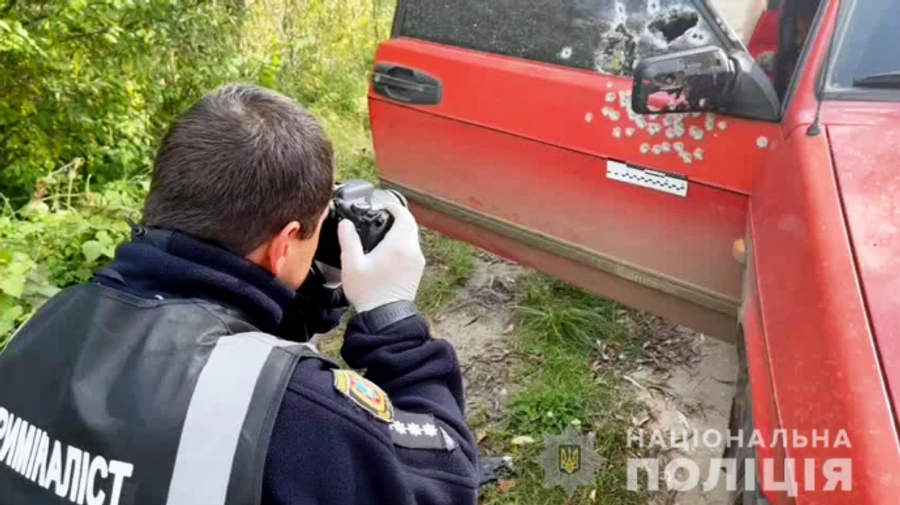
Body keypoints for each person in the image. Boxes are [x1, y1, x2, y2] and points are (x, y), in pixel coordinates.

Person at [0, 85, 479, 505]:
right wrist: (392, 318)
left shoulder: (46, 326)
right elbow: (449, 477)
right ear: (285, 244)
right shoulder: (298, 413)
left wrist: (308, 288)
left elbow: (215, 337)